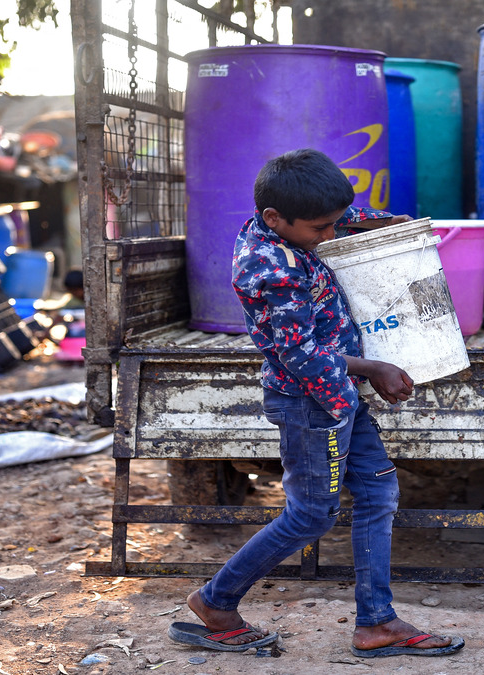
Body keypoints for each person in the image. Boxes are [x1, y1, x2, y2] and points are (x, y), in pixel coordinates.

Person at [167, 149, 464, 659]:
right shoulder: (270, 269)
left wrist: (385, 221)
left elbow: (339, 215)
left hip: (338, 398)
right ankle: (216, 602)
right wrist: (374, 369)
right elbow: (298, 353)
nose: (330, 236)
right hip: (310, 405)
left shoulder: (294, 220)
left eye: (333, 224)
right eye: (319, 230)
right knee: (311, 515)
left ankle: (377, 624)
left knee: (377, 494)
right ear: (274, 220)